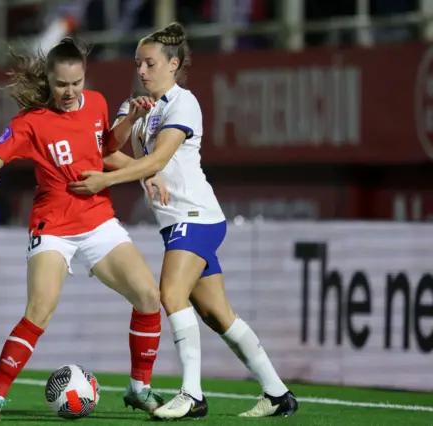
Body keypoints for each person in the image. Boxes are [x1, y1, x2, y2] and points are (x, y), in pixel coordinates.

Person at [69, 22, 299, 420]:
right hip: (178, 222)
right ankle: (278, 394)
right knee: (216, 314)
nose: (142, 71)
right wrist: (129, 131)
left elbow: (156, 160)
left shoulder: (183, 103)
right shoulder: (135, 107)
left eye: (151, 63)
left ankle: (192, 394)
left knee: (170, 296)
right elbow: (106, 152)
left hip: (196, 217)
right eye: (138, 63)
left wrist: (121, 177)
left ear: (173, 65)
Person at [0, 38, 166, 423]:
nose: (70, 91)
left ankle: (139, 389)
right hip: (53, 226)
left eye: (76, 82)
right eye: (62, 84)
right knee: (39, 310)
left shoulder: (95, 103)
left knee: (148, 295)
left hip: (97, 220)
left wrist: (133, 141)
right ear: (49, 80)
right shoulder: (30, 123)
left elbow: (105, 150)